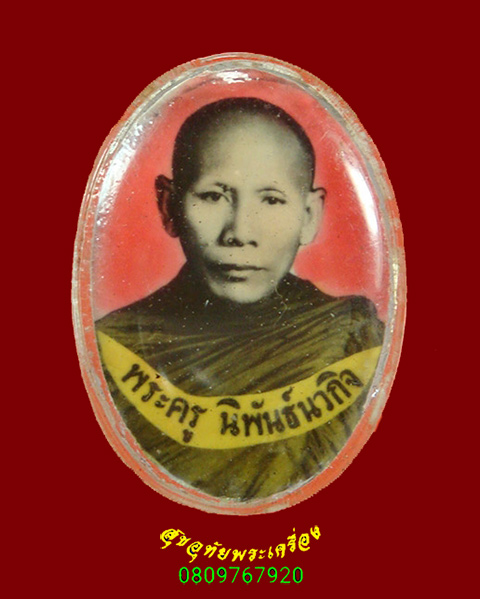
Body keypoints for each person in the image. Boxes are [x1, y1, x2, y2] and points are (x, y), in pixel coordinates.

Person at [96, 98, 384, 502]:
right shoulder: (113, 349)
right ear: (169, 205)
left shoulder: (353, 340)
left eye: (271, 200)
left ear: (309, 215)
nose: (239, 233)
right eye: (214, 196)